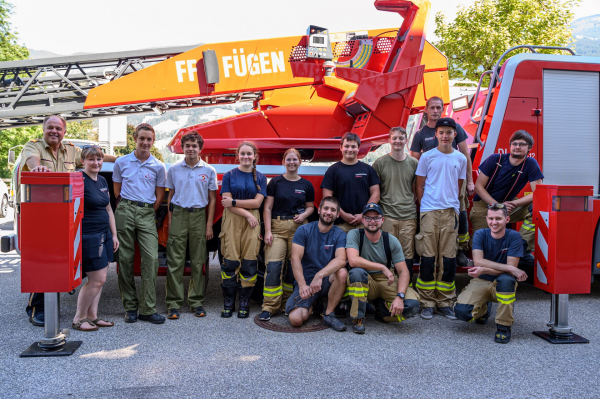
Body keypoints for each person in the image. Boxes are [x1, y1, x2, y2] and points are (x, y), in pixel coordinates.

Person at [18, 115, 116, 327]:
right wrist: (38, 168)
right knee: (42, 261)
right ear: (44, 129)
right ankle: (38, 309)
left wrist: (121, 159)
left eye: (58, 128)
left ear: (64, 131)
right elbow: (32, 161)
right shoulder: (33, 147)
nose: (54, 131)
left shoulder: (71, 150)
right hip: (41, 213)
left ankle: (82, 311)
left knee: (59, 261)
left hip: (65, 214)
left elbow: (95, 156)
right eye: (50, 128)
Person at [410, 96, 474, 266]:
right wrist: (416, 189)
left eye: (439, 107)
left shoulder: (455, 127)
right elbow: (414, 162)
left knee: (459, 212)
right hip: (431, 183)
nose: (436, 111)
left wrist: (469, 181)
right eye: (432, 108)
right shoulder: (420, 134)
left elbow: (465, 155)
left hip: (454, 179)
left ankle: (460, 249)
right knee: (425, 215)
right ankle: (422, 250)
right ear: (426, 110)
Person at [113, 123, 167, 324]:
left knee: (151, 259)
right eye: (142, 138)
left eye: (149, 139)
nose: (145, 142)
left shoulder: (158, 166)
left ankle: (147, 308)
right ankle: (130, 307)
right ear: (135, 138)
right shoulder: (122, 162)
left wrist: (148, 210)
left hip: (146, 212)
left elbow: (160, 195)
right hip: (125, 209)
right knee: (125, 259)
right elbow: (117, 189)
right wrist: (126, 207)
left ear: (153, 142)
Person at [415, 118, 467, 320]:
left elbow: (459, 185)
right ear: (435, 134)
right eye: (441, 132)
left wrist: (453, 208)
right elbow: (419, 186)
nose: (445, 136)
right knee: (428, 257)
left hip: (450, 213)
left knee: (448, 258)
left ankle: (445, 301)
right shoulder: (427, 157)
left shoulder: (460, 158)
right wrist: (424, 208)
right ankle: (426, 302)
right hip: (429, 211)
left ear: (455, 135)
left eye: (449, 132)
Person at [455, 204, 527, 344]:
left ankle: (503, 326)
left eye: (498, 219)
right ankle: (484, 307)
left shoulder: (514, 237)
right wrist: (510, 269)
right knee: (462, 313)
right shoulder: (480, 234)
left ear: (507, 219)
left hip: (502, 279)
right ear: (487, 219)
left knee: (507, 281)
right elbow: (478, 261)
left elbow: (509, 267)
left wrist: (486, 269)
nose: (494, 222)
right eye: (491, 218)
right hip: (482, 279)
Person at [165, 132, 217, 320]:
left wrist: (209, 224)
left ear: (200, 148)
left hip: (198, 216)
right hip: (178, 214)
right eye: (187, 145)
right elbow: (170, 195)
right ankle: (173, 303)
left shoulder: (208, 170)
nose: (191, 149)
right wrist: (170, 221)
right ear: (182, 148)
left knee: (198, 261)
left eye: (194, 145)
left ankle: (196, 301)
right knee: (175, 261)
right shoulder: (174, 169)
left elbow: (212, 199)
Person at [346, 203, 420, 334]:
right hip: (365, 280)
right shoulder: (355, 234)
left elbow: (403, 271)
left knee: (412, 306)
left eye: (376, 218)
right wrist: (381, 267)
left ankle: (382, 311)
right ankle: (358, 317)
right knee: (356, 273)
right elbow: (353, 260)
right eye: (368, 218)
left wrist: (400, 297)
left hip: (387, 280)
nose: (372, 221)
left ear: (383, 220)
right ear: (362, 220)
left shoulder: (391, 240)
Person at [259, 149, 315, 321]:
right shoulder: (275, 183)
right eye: (288, 159)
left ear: (300, 162)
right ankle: (269, 306)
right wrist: (268, 231)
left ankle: (287, 303)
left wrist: (304, 215)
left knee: (294, 268)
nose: (292, 162)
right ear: (284, 161)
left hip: (299, 230)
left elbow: (311, 207)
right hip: (277, 228)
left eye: (295, 159)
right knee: (274, 266)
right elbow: (267, 208)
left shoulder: (306, 184)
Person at [471, 130, 543, 253]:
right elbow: (478, 187)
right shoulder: (495, 159)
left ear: (529, 148)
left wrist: (515, 203)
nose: (517, 147)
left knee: (537, 209)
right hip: (485, 205)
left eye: (522, 144)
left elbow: (538, 192)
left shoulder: (530, 163)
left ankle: (519, 247)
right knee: (483, 244)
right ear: (510, 146)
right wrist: (497, 206)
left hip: (509, 204)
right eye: (514, 144)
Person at [71, 146, 119, 331]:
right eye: (91, 159)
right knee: (96, 279)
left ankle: (92, 316)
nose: (96, 163)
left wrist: (114, 235)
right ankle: (79, 318)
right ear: (83, 161)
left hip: (105, 234)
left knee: (101, 278)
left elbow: (108, 210)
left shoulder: (102, 181)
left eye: (99, 159)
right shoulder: (78, 180)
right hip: (89, 235)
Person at [220, 141, 267, 318]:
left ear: (255, 156)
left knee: (249, 262)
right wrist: (247, 215)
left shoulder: (261, 177)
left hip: (252, 221)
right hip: (234, 220)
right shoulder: (229, 175)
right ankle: (229, 302)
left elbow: (257, 203)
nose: (246, 157)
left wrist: (234, 202)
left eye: (249, 154)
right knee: (230, 261)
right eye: (243, 154)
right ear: (238, 156)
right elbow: (226, 203)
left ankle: (244, 303)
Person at [286, 196, 348, 331]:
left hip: (327, 280)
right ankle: (313, 304)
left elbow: (341, 259)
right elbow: (295, 259)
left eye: (333, 210)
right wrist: (302, 285)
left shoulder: (340, 234)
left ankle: (329, 314)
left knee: (342, 272)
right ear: (319, 210)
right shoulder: (303, 230)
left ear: (337, 215)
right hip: (307, 282)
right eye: (325, 208)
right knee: (296, 319)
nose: (328, 212)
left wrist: (320, 275)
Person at [373, 126, 418, 284]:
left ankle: (406, 289)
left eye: (401, 138)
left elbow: (416, 189)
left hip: (408, 216)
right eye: (395, 138)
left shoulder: (414, 163)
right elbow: (376, 191)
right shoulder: (379, 163)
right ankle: (388, 289)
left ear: (406, 140)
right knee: (387, 253)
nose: (398, 141)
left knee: (407, 256)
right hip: (388, 216)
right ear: (389, 140)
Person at [321, 132, 380, 233]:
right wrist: (343, 214)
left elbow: (376, 193)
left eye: (353, 146)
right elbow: (327, 197)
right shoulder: (333, 170)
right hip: (341, 225)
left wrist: (363, 214)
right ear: (341, 147)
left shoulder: (368, 170)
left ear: (358, 148)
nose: (350, 149)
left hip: (364, 224)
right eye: (346, 146)